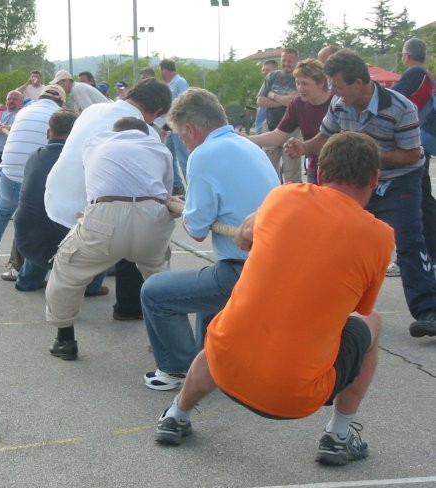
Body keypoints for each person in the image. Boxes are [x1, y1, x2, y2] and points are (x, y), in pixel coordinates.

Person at [154, 132, 394, 469]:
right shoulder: (380, 236)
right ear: (374, 179)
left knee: (232, 331)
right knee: (373, 323)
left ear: (320, 174)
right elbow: (359, 309)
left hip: (225, 370)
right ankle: (339, 436)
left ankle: (176, 414)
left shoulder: (282, 198)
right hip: (296, 398)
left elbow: (243, 236)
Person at [285, 48, 436, 339]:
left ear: (359, 83)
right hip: (360, 182)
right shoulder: (340, 105)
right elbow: (325, 137)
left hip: (399, 182)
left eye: (339, 86)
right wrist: (303, 147)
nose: (335, 93)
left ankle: (428, 310)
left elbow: (411, 155)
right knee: (338, 239)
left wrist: (370, 155)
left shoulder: (400, 107)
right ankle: (332, 307)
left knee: (407, 240)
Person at [141, 88, 279, 390]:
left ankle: (175, 368)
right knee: (205, 295)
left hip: (244, 272)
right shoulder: (249, 146)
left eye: (181, 136)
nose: (184, 144)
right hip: (275, 267)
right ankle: (213, 362)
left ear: (189, 129)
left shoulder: (204, 154)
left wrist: (182, 206)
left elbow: (198, 230)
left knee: (154, 292)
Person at [46, 117, 176, 360]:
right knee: (159, 275)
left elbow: (92, 183)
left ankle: (64, 339)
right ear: (145, 133)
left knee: (67, 268)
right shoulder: (160, 148)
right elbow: (167, 193)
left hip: (106, 215)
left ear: (114, 132)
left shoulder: (96, 142)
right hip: (153, 215)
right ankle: (164, 338)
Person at [13, 109, 107, 294]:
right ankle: (90, 285)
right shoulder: (84, 159)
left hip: (27, 237)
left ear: (49, 133)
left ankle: (27, 280)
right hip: (62, 238)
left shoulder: (35, 156)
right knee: (99, 228)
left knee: (41, 226)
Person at [0, 84, 66, 267]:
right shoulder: (59, 115)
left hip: (9, 165)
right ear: (61, 101)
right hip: (34, 170)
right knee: (38, 215)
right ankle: (25, 265)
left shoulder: (25, 111)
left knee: (2, 209)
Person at [388, 38, 436, 276]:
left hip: (412, 142)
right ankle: (431, 252)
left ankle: (420, 254)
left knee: (415, 201)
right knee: (424, 199)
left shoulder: (415, 73)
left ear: (406, 56)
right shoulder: (427, 75)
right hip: (421, 142)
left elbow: (390, 100)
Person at [249, 58, 332, 184]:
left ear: (321, 83)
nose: (300, 88)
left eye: (305, 84)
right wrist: (246, 139)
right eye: (297, 83)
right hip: (315, 168)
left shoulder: (337, 102)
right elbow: (278, 135)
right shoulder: (297, 104)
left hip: (340, 168)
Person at [257, 47, 302, 183]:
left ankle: (294, 201)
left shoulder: (299, 78)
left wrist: (272, 95)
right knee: (268, 170)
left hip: (291, 130)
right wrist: (283, 100)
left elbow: (296, 102)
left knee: (291, 173)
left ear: (296, 61)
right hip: (270, 127)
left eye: (290, 61)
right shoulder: (273, 76)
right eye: (284, 60)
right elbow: (260, 100)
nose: (286, 64)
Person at [160, 59, 190, 193]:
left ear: (165, 70)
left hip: (179, 126)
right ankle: (176, 185)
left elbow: (185, 103)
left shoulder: (180, 82)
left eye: (161, 70)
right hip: (172, 126)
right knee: (169, 155)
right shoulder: (170, 84)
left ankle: (190, 188)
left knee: (183, 158)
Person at [254, 60, 278, 135]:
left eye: (267, 70)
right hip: (260, 128)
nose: (264, 72)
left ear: (276, 70)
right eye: (263, 70)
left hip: (268, 129)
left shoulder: (277, 86)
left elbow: (260, 101)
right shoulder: (266, 84)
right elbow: (261, 103)